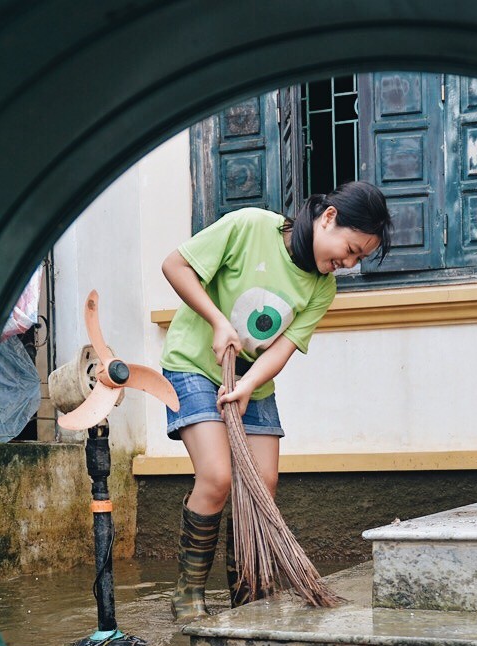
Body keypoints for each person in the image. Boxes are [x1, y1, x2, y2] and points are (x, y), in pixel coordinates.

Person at [160, 181, 392, 621]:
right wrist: (217, 322)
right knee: (217, 477)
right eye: (351, 249)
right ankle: (188, 594)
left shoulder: (322, 288)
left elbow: (281, 349)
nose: (348, 263)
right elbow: (175, 265)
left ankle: (247, 593)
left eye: (358, 258)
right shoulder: (249, 226)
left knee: (262, 483)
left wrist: (248, 385)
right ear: (328, 218)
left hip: (253, 379)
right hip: (193, 365)